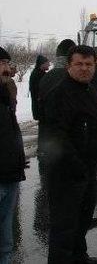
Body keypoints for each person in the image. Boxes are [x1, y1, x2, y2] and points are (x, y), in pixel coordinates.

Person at [42, 45, 97, 264]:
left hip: (87, 171)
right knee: (64, 227)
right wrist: (77, 166)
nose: (84, 69)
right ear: (69, 66)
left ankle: (80, 257)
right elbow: (57, 136)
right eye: (79, 64)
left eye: (89, 64)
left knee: (82, 220)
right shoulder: (60, 94)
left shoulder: (90, 90)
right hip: (67, 174)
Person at [0, 47, 27, 264]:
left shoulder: (5, 94)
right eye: (1, 63)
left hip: (9, 176)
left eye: (6, 63)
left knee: (6, 244)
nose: (6, 68)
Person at [38, 39, 76, 158]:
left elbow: (41, 108)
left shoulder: (46, 77)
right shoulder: (72, 77)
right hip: (69, 139)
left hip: (49, 139)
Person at [29, 55, 50, 121]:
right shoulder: (37, 75)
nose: (49, 65)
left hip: (42, 109)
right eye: (47, 63)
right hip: (41, 109)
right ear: (42, 64)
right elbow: (39, 93)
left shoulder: (41, 73)